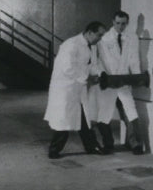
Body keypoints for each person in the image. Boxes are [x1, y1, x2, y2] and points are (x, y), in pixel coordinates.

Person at [44, 21, 107, 159]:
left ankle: (92, 146)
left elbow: (89, 66)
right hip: (65, 89)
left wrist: (100, 74)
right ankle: (54, 150)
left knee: (84, 118)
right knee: (64, 121)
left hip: (78, 87)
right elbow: (68, 68)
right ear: (90, 32)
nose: (100, 38)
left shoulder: (90, 46)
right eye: (99, 35)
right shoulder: (71, 44)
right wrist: (88, 78)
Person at [95, 10, 145, 155]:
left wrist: (136, 78)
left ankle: (135, 144)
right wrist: (102, 75)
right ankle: (108, 144)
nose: (120, 26)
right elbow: (98, 61)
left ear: (127, 23)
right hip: (109, 82)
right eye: (118, 23)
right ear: (113, 22)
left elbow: (134, 60)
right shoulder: (103, 39)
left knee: (131, 111)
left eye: (123, 24)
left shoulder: (132, 38)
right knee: (104, 114)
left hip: (123, 81)